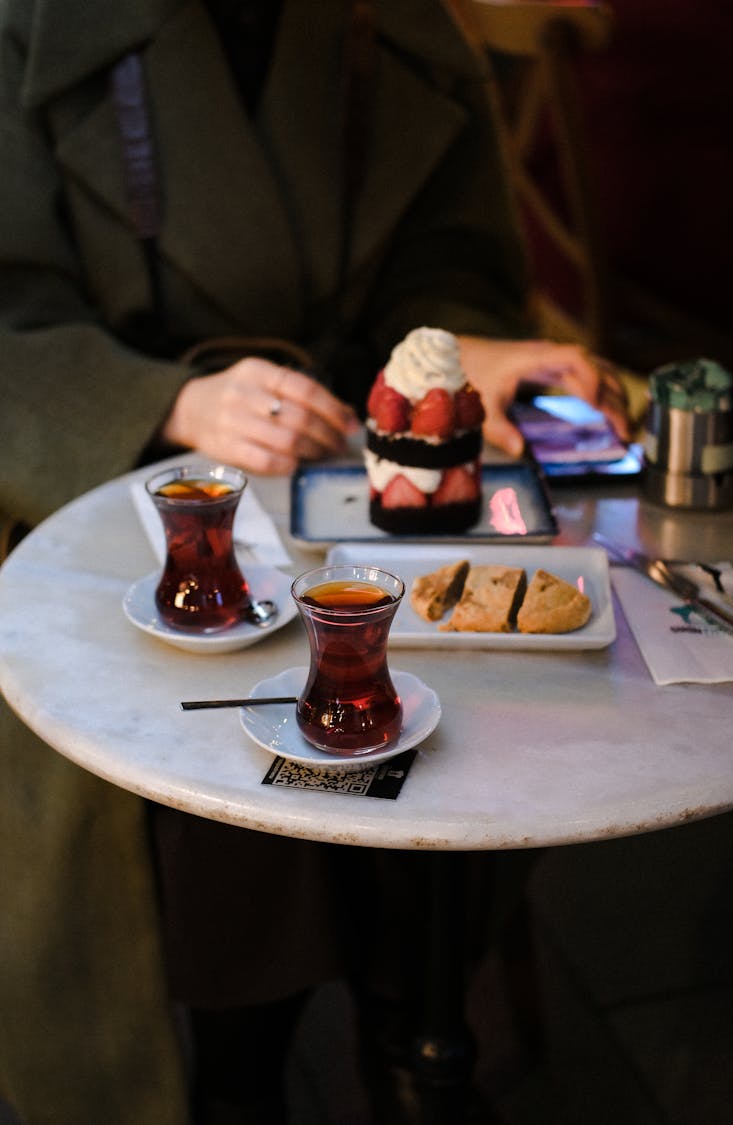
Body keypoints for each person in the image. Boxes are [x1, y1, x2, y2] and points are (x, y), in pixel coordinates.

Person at [0, 2, 631, 1123]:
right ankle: (259, 1070)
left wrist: (448, 351)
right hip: (89, 486)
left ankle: (411, 1015)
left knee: (495, 689)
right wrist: (167, 400)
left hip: (348, 461)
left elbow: (440, 265)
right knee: (238, 715)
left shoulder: (396, 29)